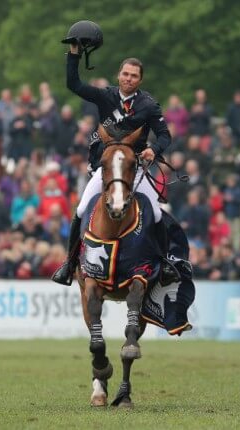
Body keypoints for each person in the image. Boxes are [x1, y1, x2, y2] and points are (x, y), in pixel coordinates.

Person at [52, 41, 181, 285]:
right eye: (125, 74)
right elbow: (74, 84)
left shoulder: (149, 105)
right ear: (118, 75)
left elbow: (165, 136)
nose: (129, 79)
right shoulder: (105, 96)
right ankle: (69, 264)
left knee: (155, 211)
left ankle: (164, 264)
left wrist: (154, 149)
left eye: (134, 76)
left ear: (140, 80)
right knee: (80, 209)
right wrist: (74, 54)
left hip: (135, 170)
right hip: (107, 168)